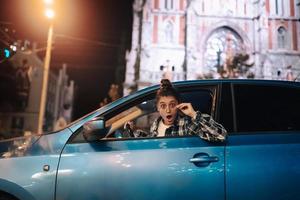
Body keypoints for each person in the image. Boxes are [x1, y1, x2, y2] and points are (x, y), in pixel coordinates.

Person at [126, 79, 227, 142]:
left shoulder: (187, 125)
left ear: (178, 105)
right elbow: (151, 142)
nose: (168, 110)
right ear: (157, 108)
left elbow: (221, 136)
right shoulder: (155, 126)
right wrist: (133, 131)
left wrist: (193, 114)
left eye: (172, 105)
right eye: (163, 106)